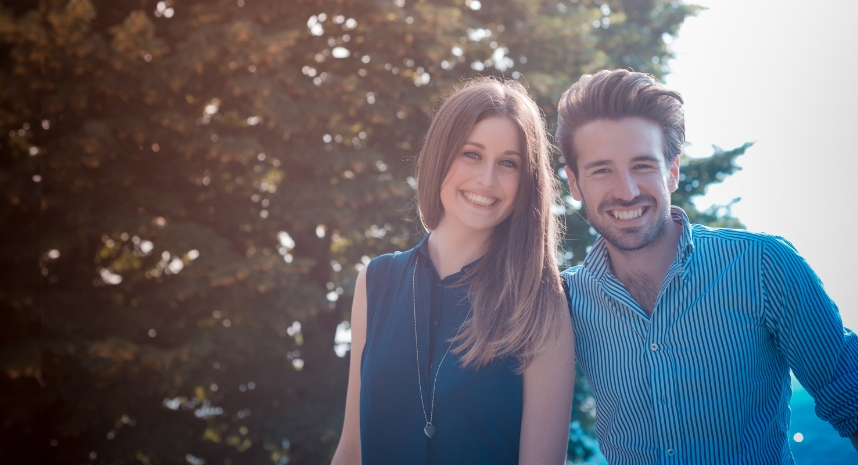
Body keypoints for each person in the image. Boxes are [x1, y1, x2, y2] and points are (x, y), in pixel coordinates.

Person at [557, 69, 858, 463]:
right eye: (601, 170)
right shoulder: (564, 300)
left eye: (643, 165)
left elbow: (849, 397)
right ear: (575, 184)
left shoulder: (763, 266)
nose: (626, 190)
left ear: (673, 172)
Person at [331, 78, 575, 465]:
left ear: (527, 180)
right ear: (441, 154)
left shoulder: (542, 301)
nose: (487, 180)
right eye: (472, 154)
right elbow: (352, 451)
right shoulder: (376, 281)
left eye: (508, 163)